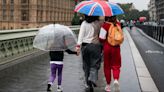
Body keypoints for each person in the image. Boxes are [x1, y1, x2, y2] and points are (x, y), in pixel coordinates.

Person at [76, 15, 102, 92]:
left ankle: (87, 83)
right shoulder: (98, 23)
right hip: (95, 46)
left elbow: (80, 35)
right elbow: (102, 36)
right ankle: (92, 78)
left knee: (86, 65)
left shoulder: (84, 23)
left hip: (85, 46)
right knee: (95, 64)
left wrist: (78, 47)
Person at [99, 16, 122, 92]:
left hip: (107, 47)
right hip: (116, 48)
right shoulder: (118, 24)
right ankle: (116, 79)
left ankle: (108, 85)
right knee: (116, 65)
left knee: (107, 66)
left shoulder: (105, 25)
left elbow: (101, 39)